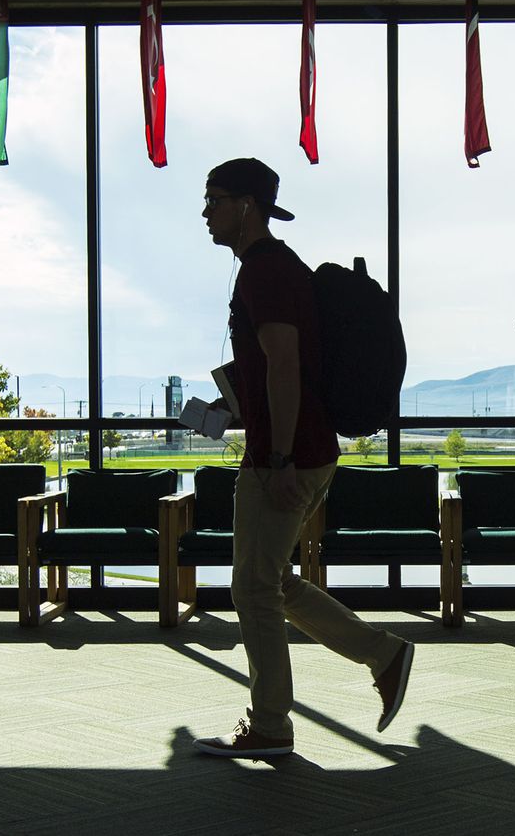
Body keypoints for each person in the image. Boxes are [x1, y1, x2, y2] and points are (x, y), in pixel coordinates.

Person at [193, 157, 413, 758]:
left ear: (246, 206)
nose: (206, 212)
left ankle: (270, 725)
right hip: (292, 448)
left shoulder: (266, 273)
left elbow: (286, 368)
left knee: (253, 588)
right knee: (266, 581)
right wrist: (234, 411)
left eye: (214, 200)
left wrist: (281, 456)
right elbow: (277, 372)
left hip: (286, 456)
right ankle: (383, 654)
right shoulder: (274, 269)